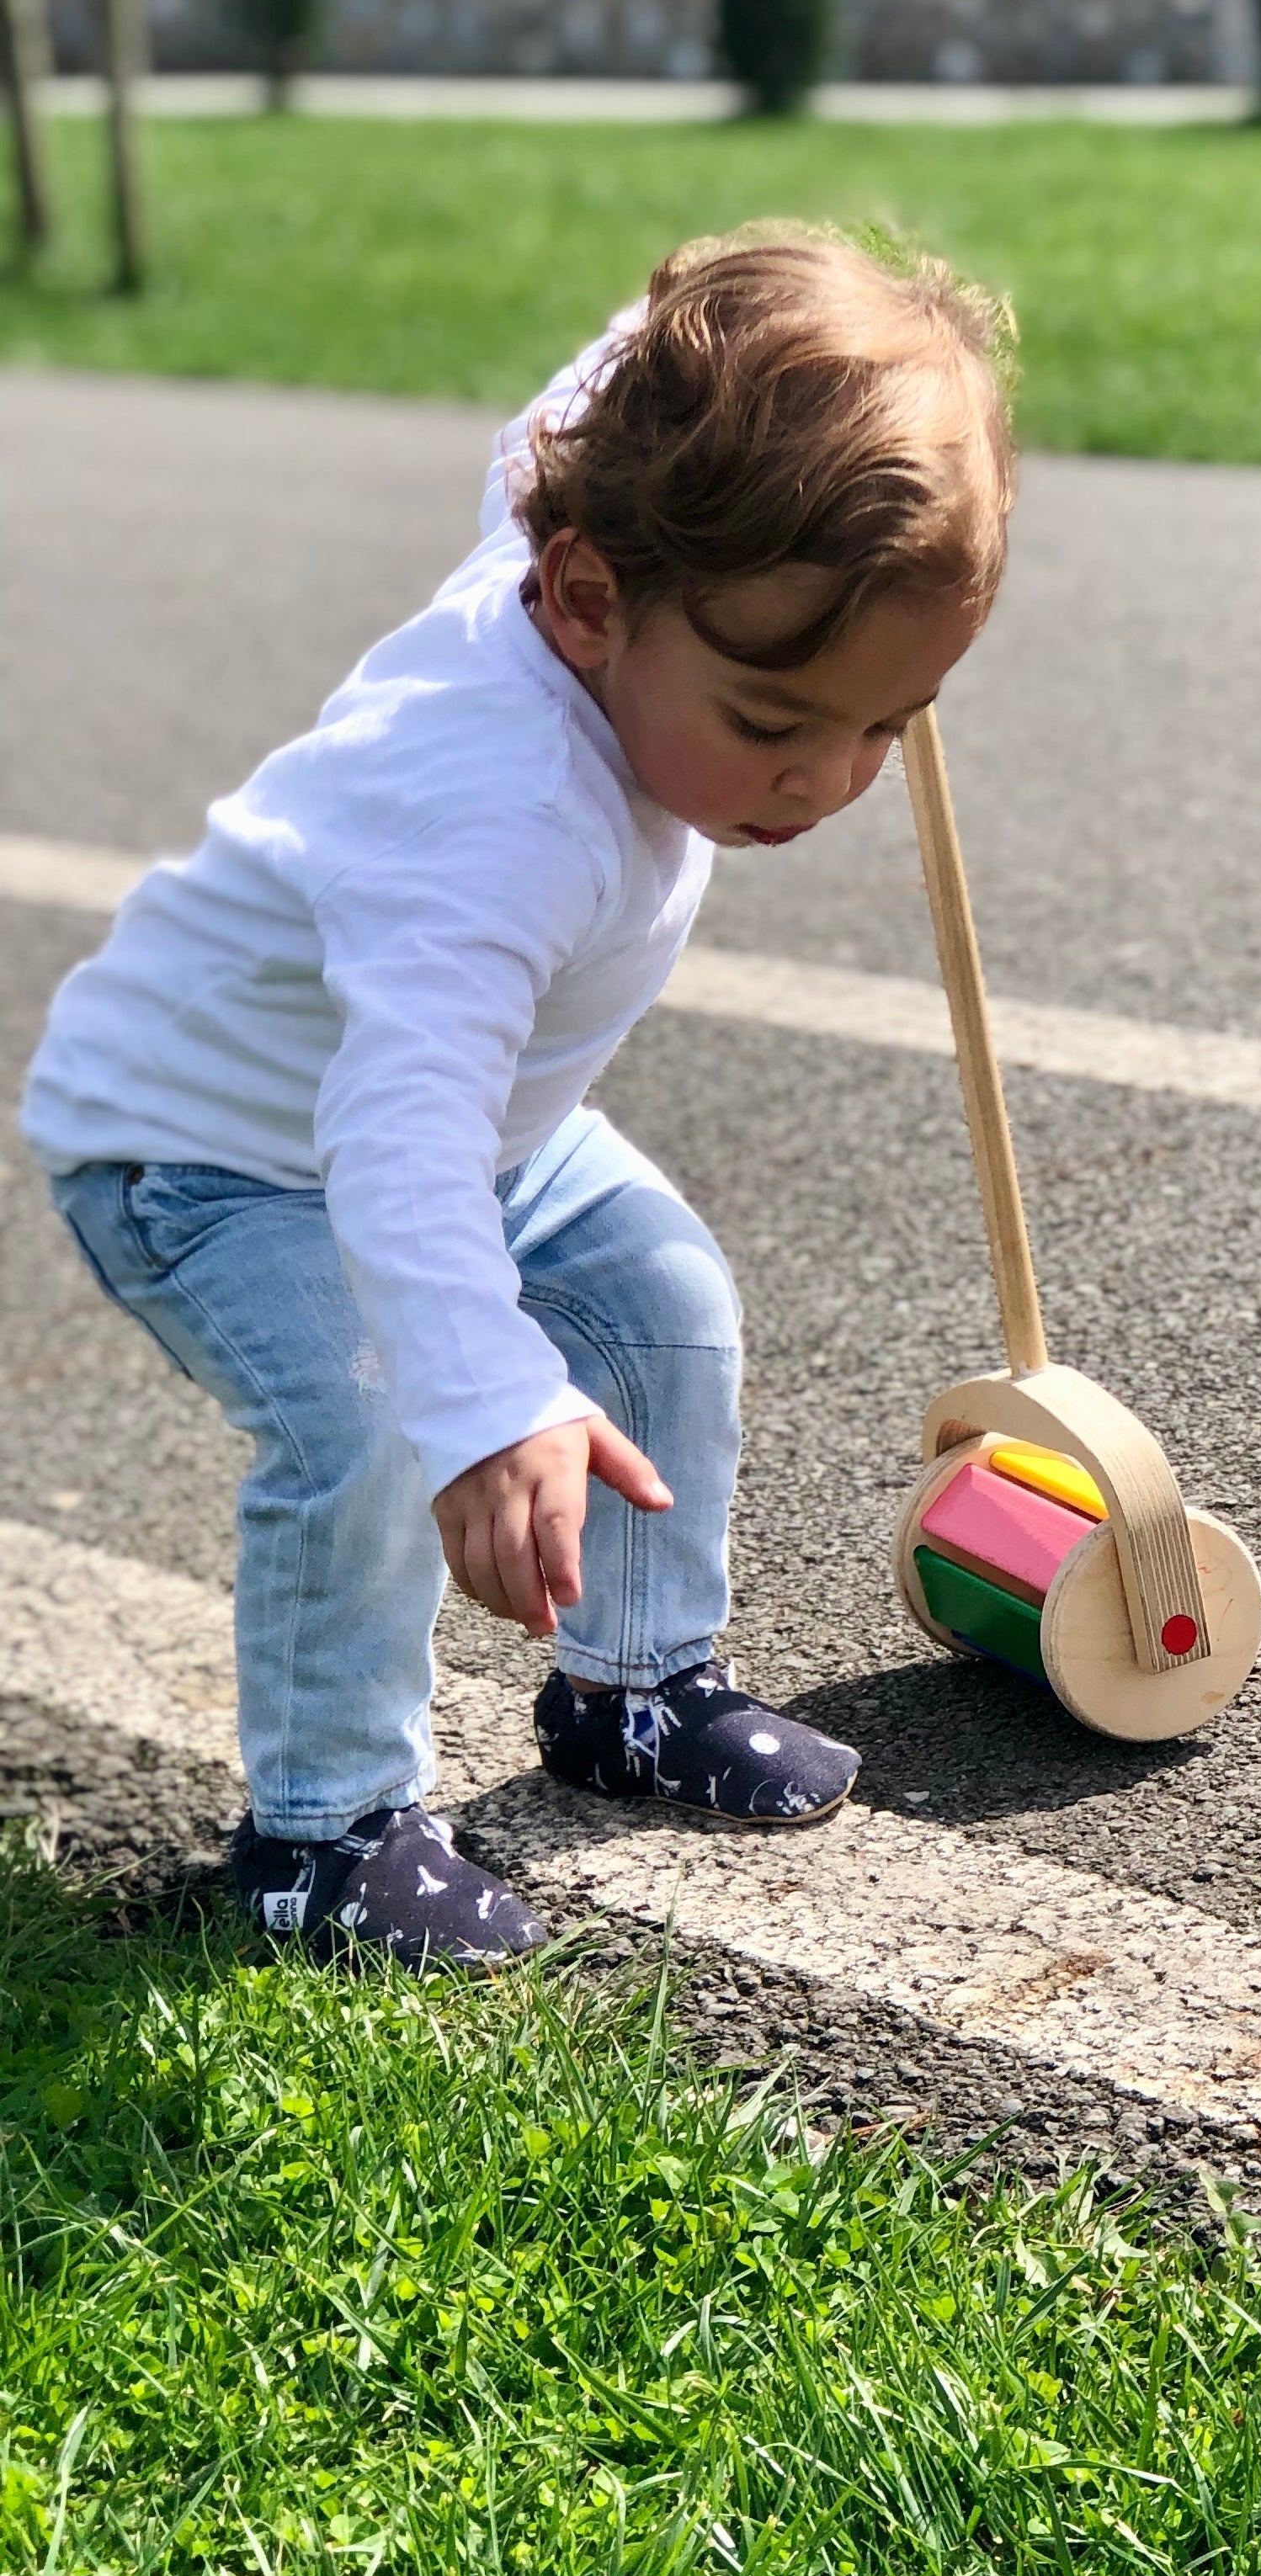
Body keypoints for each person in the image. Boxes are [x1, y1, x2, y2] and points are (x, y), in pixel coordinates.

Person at [21, 224, 1014, 1969]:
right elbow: (392, 1139)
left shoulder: (607, 543)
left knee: (660, 1298)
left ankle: (633, 1690)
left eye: (889, 720)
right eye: (776, 718)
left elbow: (588, 400)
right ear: (583, 600)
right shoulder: (492, 812)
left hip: (464, 1130)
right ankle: (323, 1840)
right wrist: (483, 1401)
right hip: (214, 1150)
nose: (830, 778)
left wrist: (757, 316)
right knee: (369, 1423)